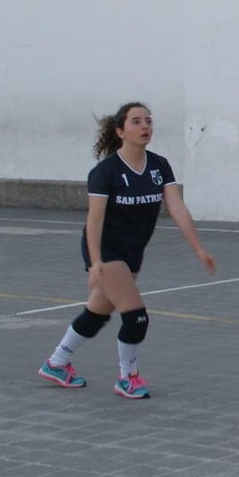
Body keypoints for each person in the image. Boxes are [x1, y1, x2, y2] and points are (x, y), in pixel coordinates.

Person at [37, 102, 215, 400]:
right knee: (136, 316)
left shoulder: (159, 166)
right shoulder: (105, 172)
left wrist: (199, 249)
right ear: (120, 131)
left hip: (133, 251)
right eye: (136, 122)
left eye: (148, 121)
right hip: (105, 251)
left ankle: (56, 363)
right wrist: (94, 264)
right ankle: (127, 377)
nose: (144, 126)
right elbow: (93, 221)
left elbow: (177, 208)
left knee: (97, 313)